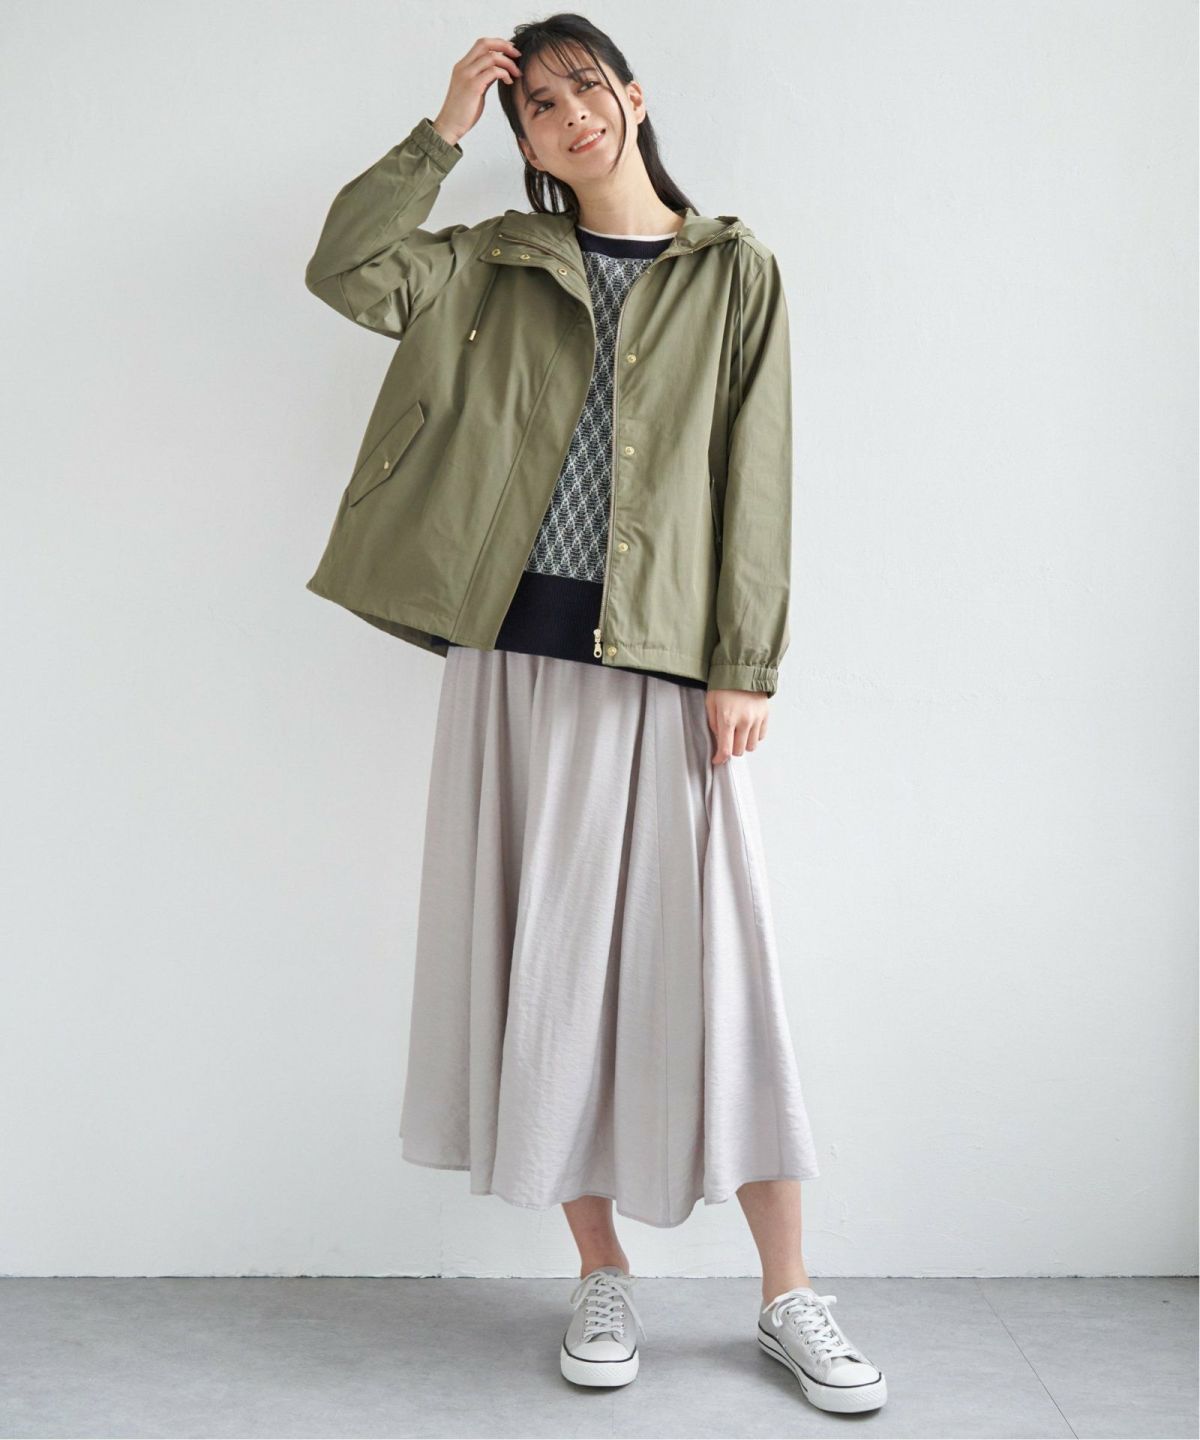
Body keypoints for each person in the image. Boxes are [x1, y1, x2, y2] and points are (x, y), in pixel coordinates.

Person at [303, 14, 886, 1416]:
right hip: (513, 658)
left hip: (670, 662)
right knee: (545, 967)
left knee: (724, 977)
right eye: (539, 106)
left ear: (632, 94)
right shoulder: (491, 261)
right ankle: (601, 1272)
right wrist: (443, 127)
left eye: (586, 88)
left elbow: (757, 471)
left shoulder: (734, 270)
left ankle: (788, 1294)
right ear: (524, 139)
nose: (569, 115)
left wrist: (747, 661)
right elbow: (348, 269)